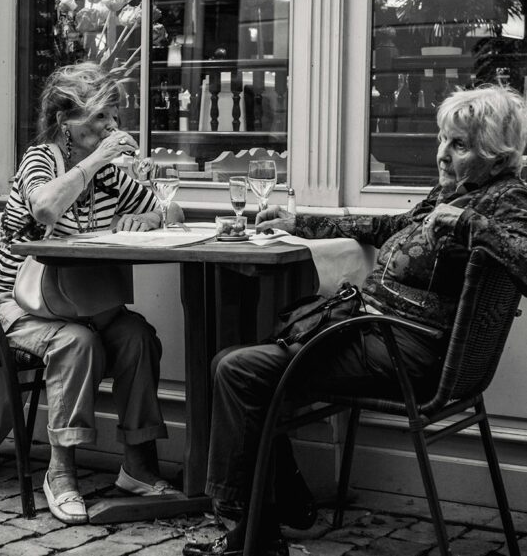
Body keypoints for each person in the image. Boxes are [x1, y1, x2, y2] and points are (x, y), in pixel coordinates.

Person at [183, 84, 527, 556]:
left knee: (240, 371)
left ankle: (254, 527)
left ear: (494, 153)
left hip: (406, 352)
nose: (442, 154)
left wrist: (472, 226)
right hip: (379, 337)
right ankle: (277, 510)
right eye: (443, 139)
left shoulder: (505, 199)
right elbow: (387, 227)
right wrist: (300, 222)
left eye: (459, 144)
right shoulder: (456, 190)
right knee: (237, 364)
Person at [0, 62, 182, 525]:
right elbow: (45, 206)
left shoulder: (111, 176)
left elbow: (171, 208)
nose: (112, 126)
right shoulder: (41, 159)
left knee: (137, 334)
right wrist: (96, 160)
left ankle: (138, 465)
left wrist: (150, 217)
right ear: (64, 121)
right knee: (76, 341)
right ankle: (61, 471)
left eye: (113, 116)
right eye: (99, 118)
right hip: (13, 304)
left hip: (82, 303)